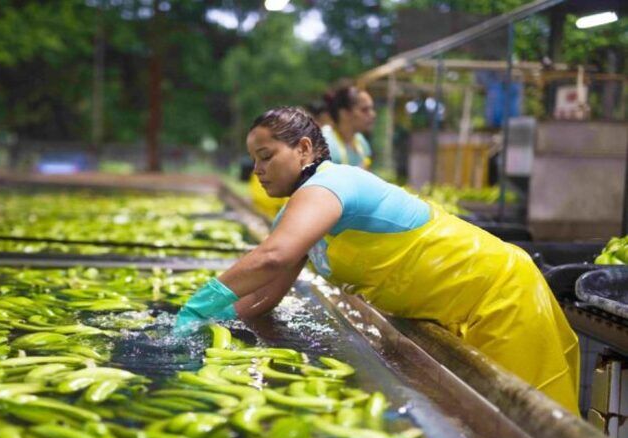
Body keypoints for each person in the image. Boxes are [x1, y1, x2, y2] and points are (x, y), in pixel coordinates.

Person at [174, 106, 580, 414]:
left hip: (497, 295)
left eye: (266, 156)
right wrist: (215, 325)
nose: (258, 171)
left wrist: (204, 299)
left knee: (522, 424)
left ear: (302, 149)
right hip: (451, 311)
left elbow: (271, 257)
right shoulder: (294, 214)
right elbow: (269, 293)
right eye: (255, 160)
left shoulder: (333, 182)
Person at [322, 83, 375, 169]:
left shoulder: (362, 142)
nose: (373, 114)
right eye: (364, 110)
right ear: (344, 113)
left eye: (372, 109)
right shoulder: (325, 146)